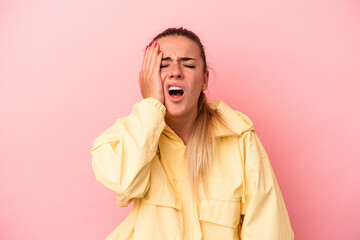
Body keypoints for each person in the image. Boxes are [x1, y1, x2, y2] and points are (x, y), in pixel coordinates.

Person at [91, 27, 294, 240]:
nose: (176, 71)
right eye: (163, 65)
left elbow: (269, 229)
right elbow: (124, 184)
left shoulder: (240, 138)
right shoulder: (122, 138)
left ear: (205, 79)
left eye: (188, 64)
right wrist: (150, 104)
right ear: (146, 81)